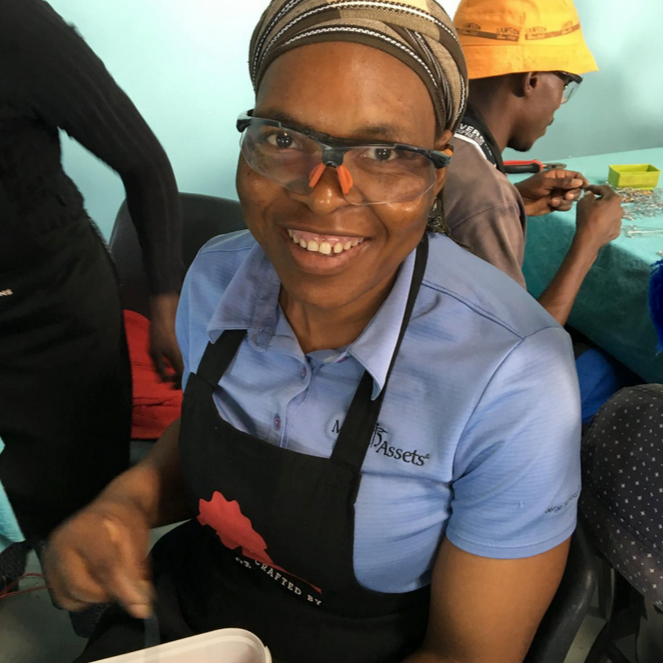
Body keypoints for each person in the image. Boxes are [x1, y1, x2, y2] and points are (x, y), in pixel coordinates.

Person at [45, 2, 581, 662]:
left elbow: (465, 655)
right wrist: (126, 503)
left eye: (383, 151)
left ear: (437, 165)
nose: (324, 195)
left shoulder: (512, 375)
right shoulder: (215, 278)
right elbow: (206, 431)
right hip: (190, 615)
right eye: (282, 138)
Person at [0, 0, 183, 592]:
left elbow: (145, 164)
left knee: (78, 496)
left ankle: (99, 619)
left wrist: (165, 304)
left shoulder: (14, 24)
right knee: (21, 494)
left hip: (52, 311)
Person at [445, 0, 628, 424]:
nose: (561, 101)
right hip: (468, 401)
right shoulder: (484, 196)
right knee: (613, 372)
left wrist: (516, 201)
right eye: (565, 83)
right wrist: (588, 243)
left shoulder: (446, 144)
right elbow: (520, 351)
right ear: (531, 79)